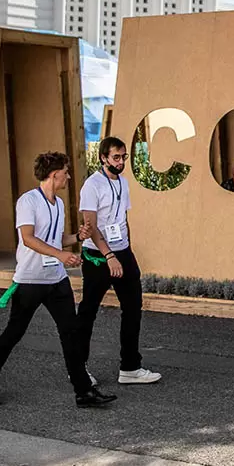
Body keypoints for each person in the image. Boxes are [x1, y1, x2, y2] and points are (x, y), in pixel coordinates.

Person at [0, 150, 116, 408]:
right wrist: (62, 255)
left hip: (56, 280)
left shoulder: (60, 204)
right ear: (54, 175)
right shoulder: (27, 201)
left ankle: (83, 392)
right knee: (14, 333)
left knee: (71, 333)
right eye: (65, 173)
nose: (68, 177)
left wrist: (77, 237)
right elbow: (28, 238)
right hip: (30, 280)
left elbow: (56, 238)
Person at [75, 137, 162, 387]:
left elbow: (122, 218)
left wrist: (126, 251)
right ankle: (78, 368)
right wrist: (109, 255)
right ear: (103, 158)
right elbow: (89, 226)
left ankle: (130, 368)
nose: (121, 162)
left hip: (123, 252)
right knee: (88, 312)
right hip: (98, 255)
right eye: (116, 157)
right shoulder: (92, 185)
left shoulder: (123, 183)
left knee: (133, 309)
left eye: (124, 157)